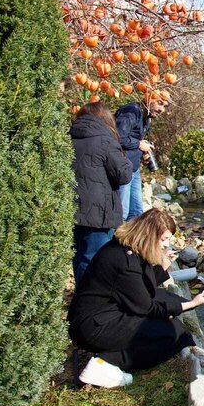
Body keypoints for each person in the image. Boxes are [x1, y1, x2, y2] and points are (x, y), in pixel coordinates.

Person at [68, 209, 204, 387]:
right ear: (149, 235)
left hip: (104, 313)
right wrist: (191, 304)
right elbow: (146, 306)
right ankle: (105, 362)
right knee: (171, 335)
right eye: (164, 239)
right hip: (92, 327)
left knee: (172, 312)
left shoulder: (125, 248)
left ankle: (111, 358)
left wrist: (162, 268)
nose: (166, 245)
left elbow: (138, 289)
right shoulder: (125, 261)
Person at [70, 102, 133, 283]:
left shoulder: (69, 137)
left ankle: (81, 298)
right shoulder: (106, 140)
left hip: (73, 209)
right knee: (97, 259)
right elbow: (124, 175)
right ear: (105, 118)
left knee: (80, 256)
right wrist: (126, 159)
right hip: (98, 213)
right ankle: (91, 303)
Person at [115, 95, 167, 221]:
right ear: (148, 97)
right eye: (160, 103)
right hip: (122, 168)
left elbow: (134, 139)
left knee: (136, 212)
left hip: (134, 169)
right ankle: (113, 240)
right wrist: (139, 144)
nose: (162, 109)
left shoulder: (146, 117)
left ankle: (130, 240)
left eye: (164, 106)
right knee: (122, 212)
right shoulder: (132, 111)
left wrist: (142, 153)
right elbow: (117, 136)